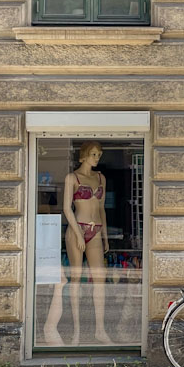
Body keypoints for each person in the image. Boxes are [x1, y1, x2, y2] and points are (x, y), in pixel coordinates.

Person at [43, 141, 112, 346]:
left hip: (96, 230)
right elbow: (67, 209)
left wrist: (105, 236)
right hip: (77, 230)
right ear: (84, 155)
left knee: (99, 280)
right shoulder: (72, 178)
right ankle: (77, 333)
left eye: (99, 154)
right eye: (93, 154)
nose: (96, 158)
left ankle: (100, 330)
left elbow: (102, 209)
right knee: (76, 279)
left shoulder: (101, 178)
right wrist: (79, 235)